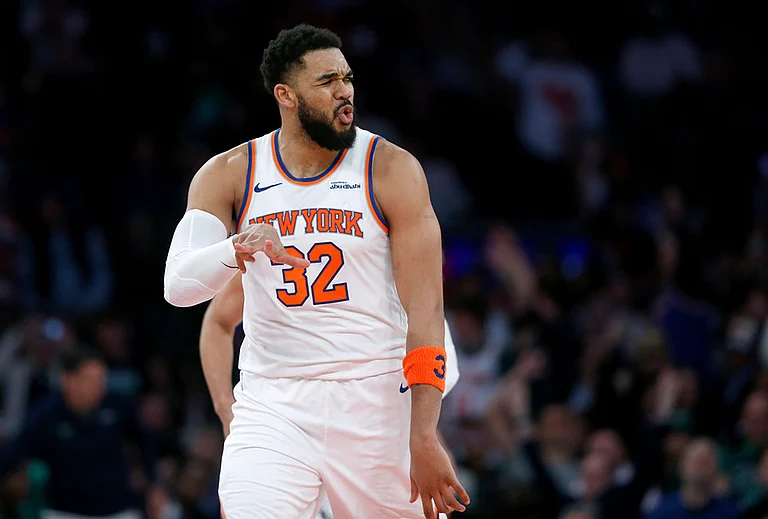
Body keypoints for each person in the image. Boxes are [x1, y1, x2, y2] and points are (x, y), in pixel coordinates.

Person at [163, 23, 469, 519]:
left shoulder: (390, 169)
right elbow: (178, 288)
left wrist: (424, 435)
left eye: (346, 78)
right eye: (327, 81)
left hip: (375, 395)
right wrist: (236, 247)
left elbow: (427, 312)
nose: (345, 91)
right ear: (286, 95)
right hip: (274, 400)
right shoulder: (230, 173)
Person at [200, 273, 462, 518]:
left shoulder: (422, 319)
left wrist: (428, 445)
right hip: (286, 427)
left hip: (377, 444)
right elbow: (217, 319)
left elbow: (421, 424)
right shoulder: (281, 250)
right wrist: (226, 409)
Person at [0, 347, 160, 519]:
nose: (98, 386)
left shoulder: (117, 405)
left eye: (101, 378)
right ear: (67, 379)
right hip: (65, 512)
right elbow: (12, 454)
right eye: (89, 379)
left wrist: (153, 484)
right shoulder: (46, 415)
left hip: (119, 510)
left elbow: (145, 441)